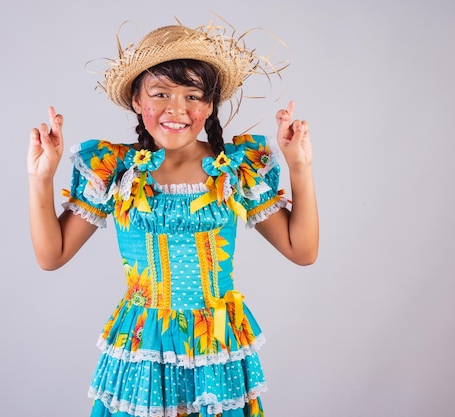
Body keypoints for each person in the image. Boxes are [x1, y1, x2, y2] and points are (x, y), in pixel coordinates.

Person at [28, 22, 318, 417]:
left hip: (215, 345)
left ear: (210, 104)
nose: (176, 109)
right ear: (135, 99)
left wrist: (299, 167)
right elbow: (52, 255)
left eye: (192, 96)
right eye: (160, 94)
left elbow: (302, 250)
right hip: (144, 348)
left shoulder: (233, 169)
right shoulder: (117, 169)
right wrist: (40, 177)